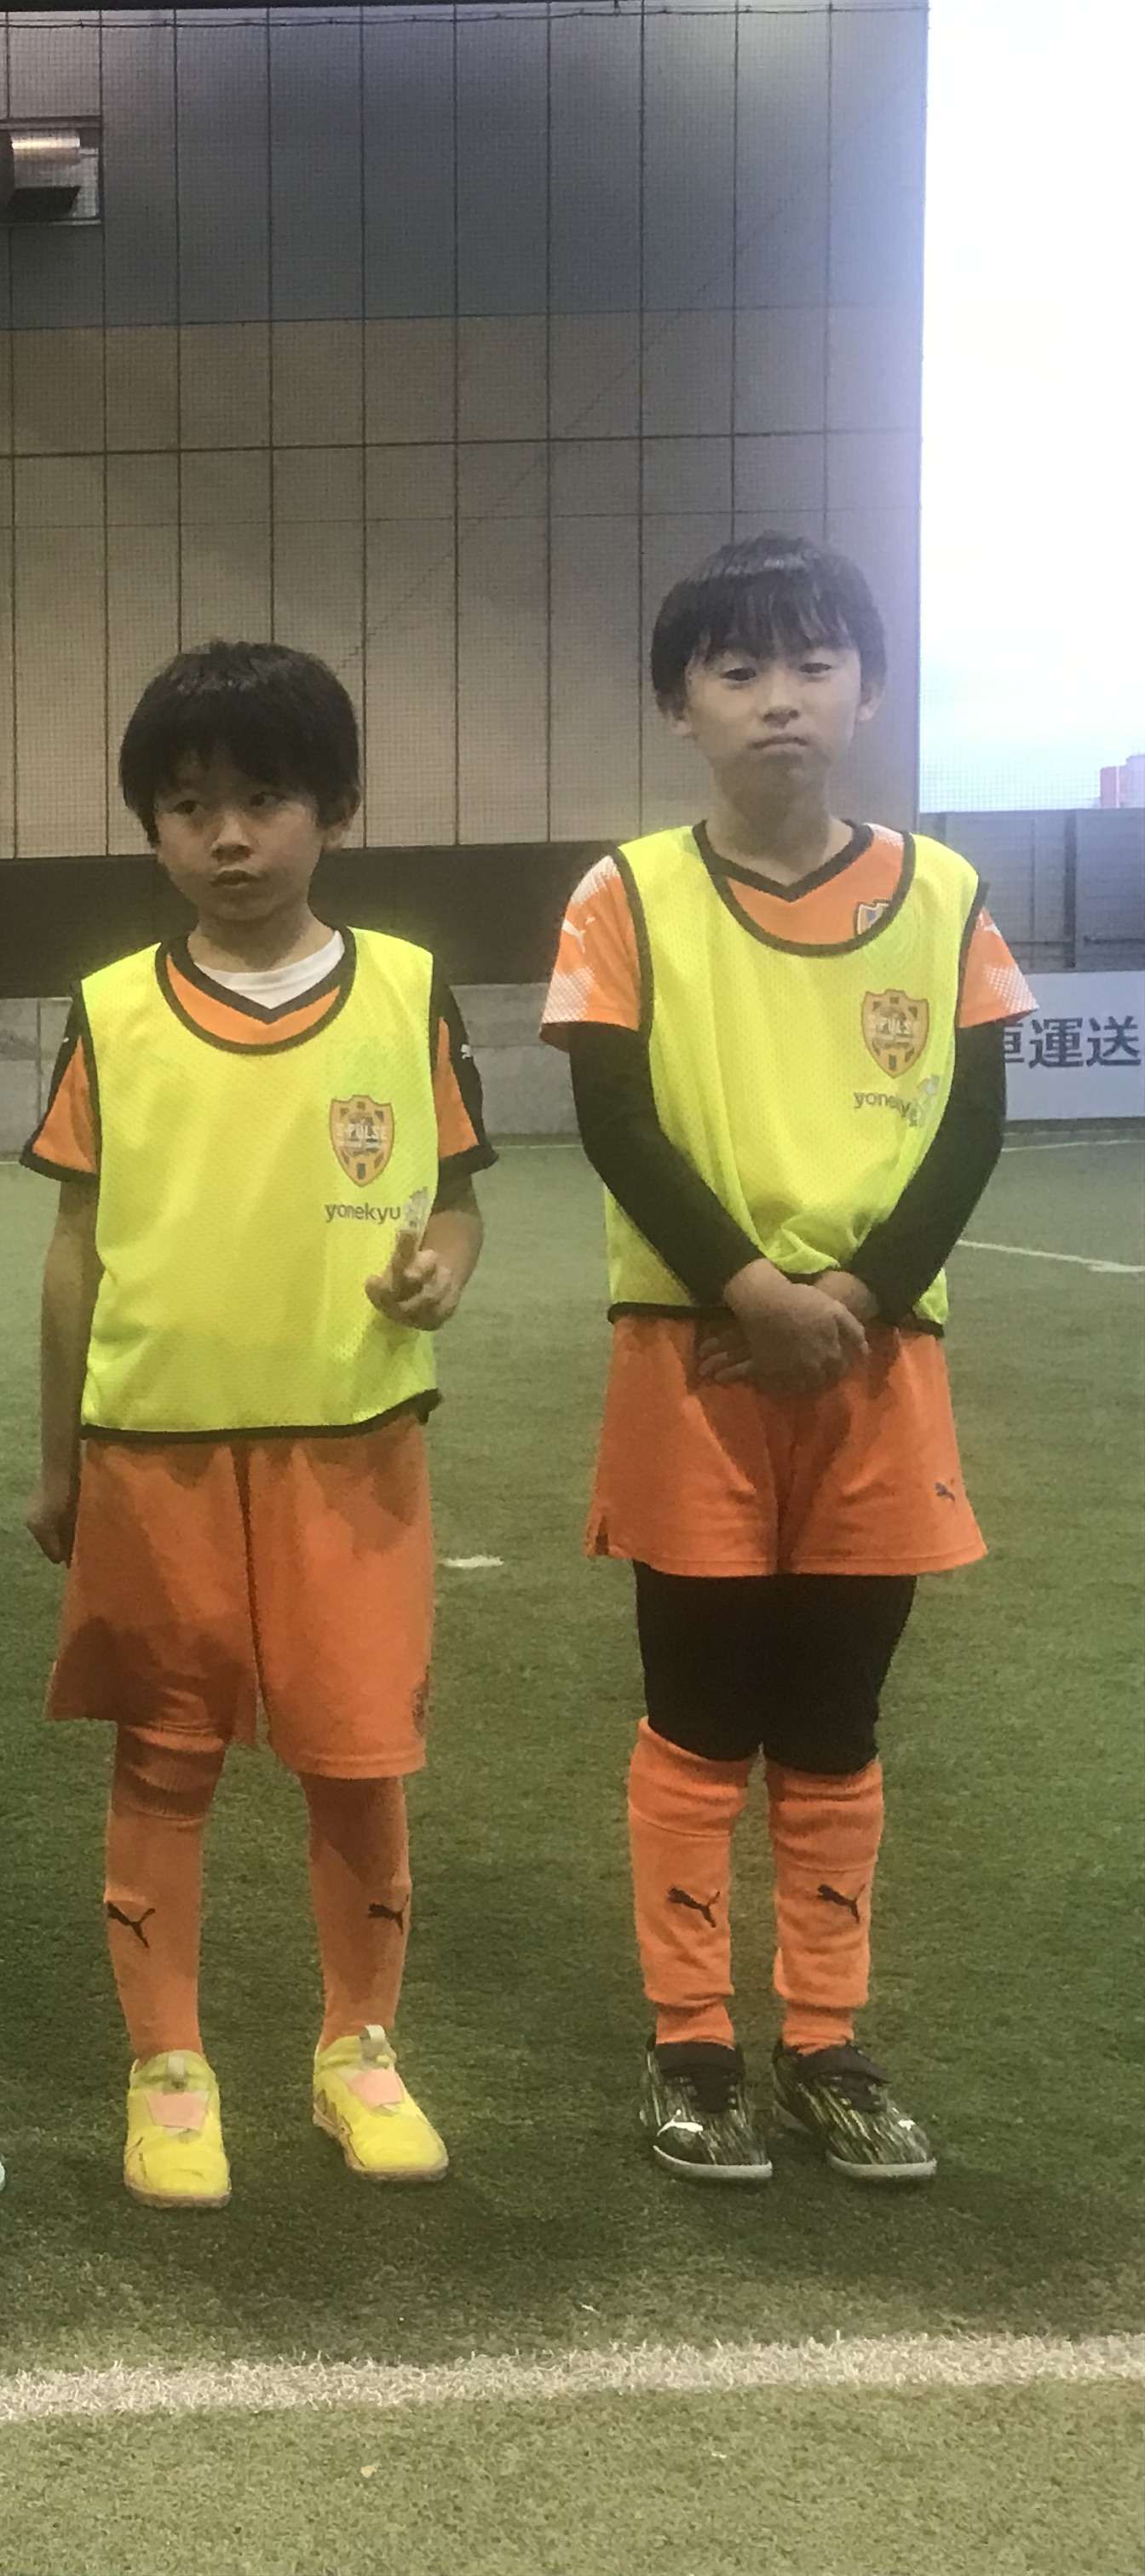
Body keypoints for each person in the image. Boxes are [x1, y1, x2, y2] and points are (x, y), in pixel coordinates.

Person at [544, 534, 1029, 2186]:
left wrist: (862, 1296)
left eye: (813, 663)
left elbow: (974, 1119)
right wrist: (753, 1289)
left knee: (833, 1715)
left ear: (867, 690)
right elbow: (613, 1114)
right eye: (736, 668)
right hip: (695, 1352)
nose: (778, 698)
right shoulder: (624, 894)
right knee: (697, 1712)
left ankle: (824, 2042)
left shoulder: (943, 892)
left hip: (877, 1362)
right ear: (678, 704)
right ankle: (691, 2044)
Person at [23, 641, 492, 2210]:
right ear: (151, 830)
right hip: (152, 1450)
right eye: (187, 807)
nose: (227, 837)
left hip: (351, 1444)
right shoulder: (111, 1008)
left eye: (264, 799)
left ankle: (359, 2050)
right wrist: (56, 1462)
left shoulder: (408, 988)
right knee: (163, 1760)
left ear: (336, 809)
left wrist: (443, 1267)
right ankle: (168, 2068)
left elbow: (459, 1200)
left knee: (358, 1761)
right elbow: (74, 1247)